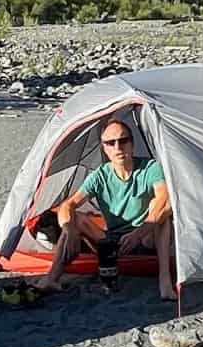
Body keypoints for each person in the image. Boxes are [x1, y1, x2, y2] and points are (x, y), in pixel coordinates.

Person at [38, 118, 177, 300]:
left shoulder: (150, 168)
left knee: (161, 211)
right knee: (75, 218)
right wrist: (69, 228)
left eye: (123, 140)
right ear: (104, 148)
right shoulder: (100, 175)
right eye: (110, 143)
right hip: (112, 243)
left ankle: (165, 282)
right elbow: (68, 205)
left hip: (145, 238)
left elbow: (165, 200)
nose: (118, 147)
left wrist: (138, 233)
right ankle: (52, 278)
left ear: (132, 143)